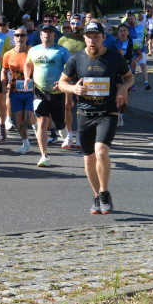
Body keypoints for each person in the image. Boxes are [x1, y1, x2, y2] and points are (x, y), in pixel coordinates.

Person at [57, 21, 134, 215]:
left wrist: (124, 89)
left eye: (96, 36)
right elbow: (61, 82)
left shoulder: (114, 58)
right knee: (89, 159)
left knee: (100, 151)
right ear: (84, 38)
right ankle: (96, 196)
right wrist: (74, 88)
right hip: (84, 114)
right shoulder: (76, 59)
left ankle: (104, 191)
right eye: (89, 36)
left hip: (107, 113)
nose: (92, 40)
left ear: (103, 38)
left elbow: (129, 77)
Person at [25, 23, 71, 167]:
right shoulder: (33, 50)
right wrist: (27, 77)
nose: (47, 34)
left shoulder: (61, 51)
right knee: (42, 122)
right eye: (44, 32)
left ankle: (64, 131)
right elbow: (28, 64)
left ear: (54, 36)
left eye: (50, 32)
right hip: (40, 92)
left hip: (57, 93)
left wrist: (64, 81)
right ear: (40, 35)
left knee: (59, 123)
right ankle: (44, 156)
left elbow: (70, 69)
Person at [2, 28, 36, 154]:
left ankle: (37, 125)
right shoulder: (8, 54)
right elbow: (4, 70)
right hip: (15, 91)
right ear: (14, 38)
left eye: (23, 35)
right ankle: (25, 143)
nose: (20, 38)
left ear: (27, 37)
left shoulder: (32, 51)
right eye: (17, 35)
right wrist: (3, 82)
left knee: (30, 118)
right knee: (19, 119)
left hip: (31, 91)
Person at [57, 15, 86, 149]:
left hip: (83, 77)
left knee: (81, 108)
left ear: (82, 24)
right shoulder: (63, 39)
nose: (75, 25)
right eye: (72, 23)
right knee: (67, 106)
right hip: (68, 77)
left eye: (77, 23)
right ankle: (69, 135)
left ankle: (80, 135)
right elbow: (58, 59)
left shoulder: (86, 38)